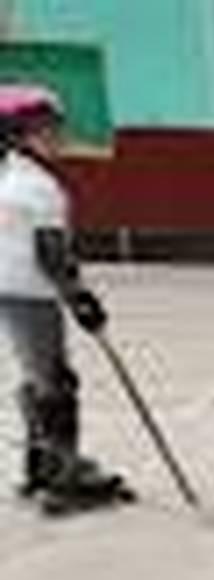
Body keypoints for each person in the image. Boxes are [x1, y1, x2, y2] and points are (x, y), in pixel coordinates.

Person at [0, 84, 127, 515]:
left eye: (56, 128)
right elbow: (52, 255)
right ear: (17, 136)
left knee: (38, 377)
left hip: (10, 291)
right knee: (56, 383)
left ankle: (39, 466)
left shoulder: (9, 177)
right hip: (32, 293)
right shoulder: (38, 187)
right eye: (46, 130)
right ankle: (64, 477)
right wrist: (81, 300)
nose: (58, 137)